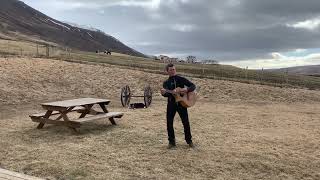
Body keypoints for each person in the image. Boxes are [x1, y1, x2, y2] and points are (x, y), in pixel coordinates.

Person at [160, 63, 196, 149]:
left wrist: (186, 89)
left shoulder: (181, 79)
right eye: (170, 70)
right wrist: (164, 93)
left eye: (174, 69)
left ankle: (189, 141)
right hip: (171, 104)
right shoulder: (166, 83)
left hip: (182, 104)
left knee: (186, 122)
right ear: (167, 71)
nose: (173, 71)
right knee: (169, 123)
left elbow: (193, 86)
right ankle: (171, 142)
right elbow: (167, 95)